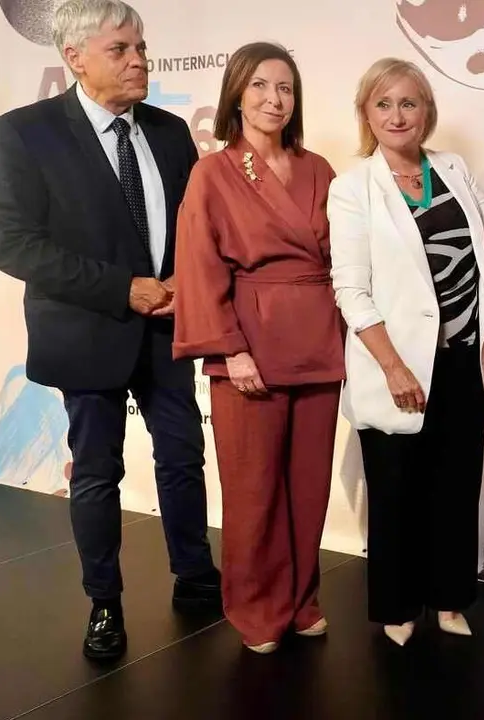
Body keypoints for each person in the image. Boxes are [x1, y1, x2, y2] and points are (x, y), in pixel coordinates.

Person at [0, 0, 220, 661]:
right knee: (96, 473)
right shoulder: (23, 133)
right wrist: (122, 288)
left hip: (168, 330)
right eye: (120, 50)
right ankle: (105, 603)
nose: (139, 60)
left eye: (140, 46)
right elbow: (10, 242)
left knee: (183, 458)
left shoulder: (170, 131)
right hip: (86, 332)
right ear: (75, 58)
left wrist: (185, 281)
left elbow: (197, 228)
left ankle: (196, 578)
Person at [328, 58, 484, 646]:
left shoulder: (451, 168)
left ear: (427, 110)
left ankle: (448, 600)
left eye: (409, 102)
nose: (397, 115)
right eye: (384, 104)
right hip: (396, 368)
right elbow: (351, 290)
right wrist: (393, 366)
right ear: (366, 113)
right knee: (395, 493)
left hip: (463, 361)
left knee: (455, 487)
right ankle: (398, 608)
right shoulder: (353, 188)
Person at [171, 42, 344, 654]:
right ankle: (256, 609)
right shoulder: (213, 172)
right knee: (253, 489)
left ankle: (301, 601)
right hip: (251, 345)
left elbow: (344, 257)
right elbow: (199, 267)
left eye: (286, 88)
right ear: (237, 97)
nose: (275, 100)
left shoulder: (319, 168)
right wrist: (229, 351)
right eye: (261, 87)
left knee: (308, 486)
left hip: (318, 338)